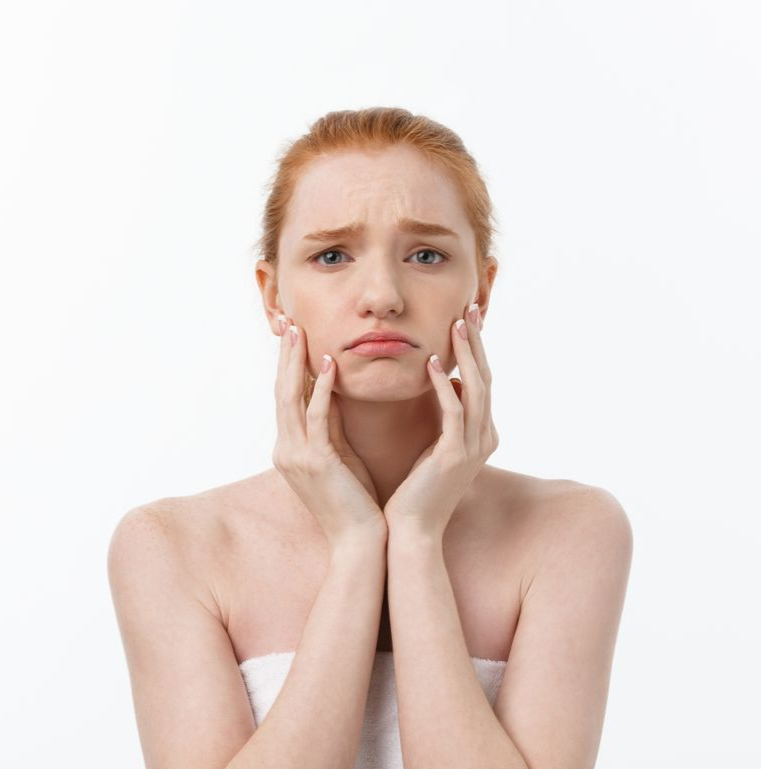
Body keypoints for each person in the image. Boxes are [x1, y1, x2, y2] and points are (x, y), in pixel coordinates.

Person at [108, 107, 633, 769]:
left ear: (483, 288)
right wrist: (358, 547)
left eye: (426, 255)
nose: (381, 294)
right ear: (273, 296)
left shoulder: (571, 531)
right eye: (332, 255)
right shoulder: (170, 546)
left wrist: (413, 539)